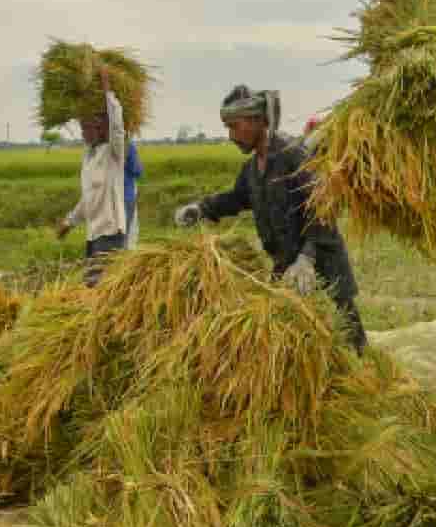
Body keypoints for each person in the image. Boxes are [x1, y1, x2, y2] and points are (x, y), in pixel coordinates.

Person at [173, 85, 368, 354]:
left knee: (347, 331)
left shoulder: (292, 155)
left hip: (321, 260)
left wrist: (307, 258)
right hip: (286, 265)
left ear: (257, 121)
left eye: (234, 126)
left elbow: (323, 208)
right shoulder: (252, 168)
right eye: (227, 127)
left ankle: (364, 368)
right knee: (290, 337)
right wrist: (202, 208)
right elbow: (237, 198)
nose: (230, 135)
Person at [56, 68, 127, 285]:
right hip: (94, 235)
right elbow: (88, 199)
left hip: (111, 233)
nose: (82, 133)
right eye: (81, 127)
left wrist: (107, 91)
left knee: (98, 288)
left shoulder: (113, 153)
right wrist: (69, 222)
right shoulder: (89, 157)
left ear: (98, 127)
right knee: (91, 287)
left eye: (86, 127)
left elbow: (116, 127)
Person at [124, 140, 143, 250]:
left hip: (108, 197)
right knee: (128, 232)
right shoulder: (127, 145)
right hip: (126, 195)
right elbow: (137, 170)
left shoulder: (100, 146)